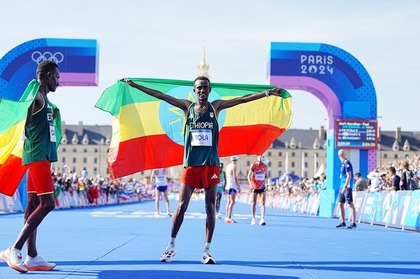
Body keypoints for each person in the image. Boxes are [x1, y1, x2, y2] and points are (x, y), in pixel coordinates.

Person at [124, 76, 282, 264]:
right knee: (182, 206)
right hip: (191, 164)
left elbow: (241, 100)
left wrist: (267, 93)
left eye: (205, 88)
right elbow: (160, 95)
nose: (202, 91)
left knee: (210, 208)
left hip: (211, 165)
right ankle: (171, 246)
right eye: (198, 88)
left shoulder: (215, 107)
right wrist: (135, 86)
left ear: (209, 90)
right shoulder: (187, 107)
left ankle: (207, 250)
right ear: (194, 90)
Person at [0, 60, 60, 273]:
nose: (59, 83)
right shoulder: (36, 97)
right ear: (49, 76)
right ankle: (14, 248)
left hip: (41, 155)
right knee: (48, 204)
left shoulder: (46, 102)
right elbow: (21, 120)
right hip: (36, 156)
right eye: (58, 78)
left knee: (34, 203)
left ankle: (32, 256)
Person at [336, 149, 357, 229]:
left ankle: (354, 222)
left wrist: (345, 186)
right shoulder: (342, 164)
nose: (345, 154)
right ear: (340, 155)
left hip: (347, 186)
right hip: (342, 185)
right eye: (343, 153)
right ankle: (343, 221)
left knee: (350, 203)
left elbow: (349, 175)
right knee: (340, 203)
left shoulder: (347, 163)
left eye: (345, 153)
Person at [248, 155, 269, 226]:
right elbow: (248, 176)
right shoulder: (253, 165)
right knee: (253, 202)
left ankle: (262, 218)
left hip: (262, 186)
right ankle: (253, 218)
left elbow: (266, 176)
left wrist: (267, 184)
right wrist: (250, 184)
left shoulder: (265, 166)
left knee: (263, 202)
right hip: (255, 186)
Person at [225, 155, 240, 224]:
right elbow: (235, 177)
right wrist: (238, 185)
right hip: (232, 185)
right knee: (232, 201)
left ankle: (227, 216)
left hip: (228, 184)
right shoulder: (234, 167)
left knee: (228, 202)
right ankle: (229, 217)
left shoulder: (228, 166)